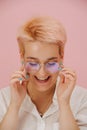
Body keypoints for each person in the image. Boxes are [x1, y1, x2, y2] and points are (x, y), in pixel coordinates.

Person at [0, 16, 87, 130]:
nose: (42, 73)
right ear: (22, 57)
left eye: (51, 63)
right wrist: (14, 106)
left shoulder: (82, 98)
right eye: (33, 63)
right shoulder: (3, 99)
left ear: (61, 57)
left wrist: (64, 104)